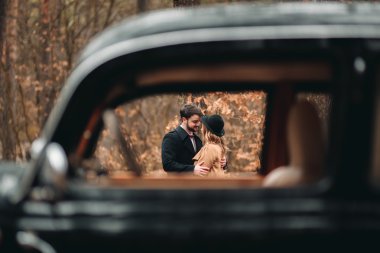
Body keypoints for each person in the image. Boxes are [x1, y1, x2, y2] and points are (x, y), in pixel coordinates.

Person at [161, 103, 210, 176]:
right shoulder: (171, 137)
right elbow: (168, 165)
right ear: (184, 119)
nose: (198, 124)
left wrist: (221, 163)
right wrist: (192, 169)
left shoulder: (198, 140)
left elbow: (203, 161)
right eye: (195, 121)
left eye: (199, 121)